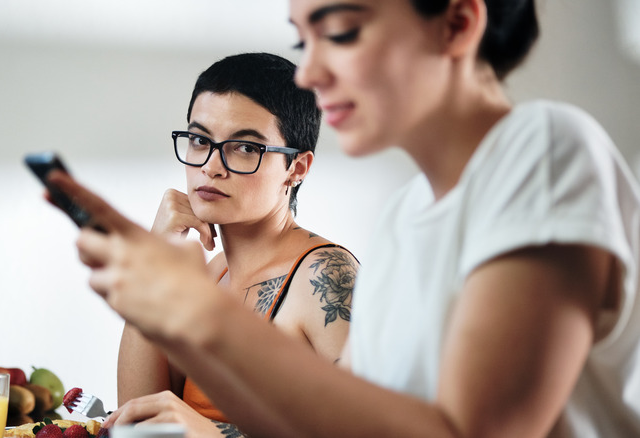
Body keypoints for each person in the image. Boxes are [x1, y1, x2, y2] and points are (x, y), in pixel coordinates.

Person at [47, 0, 640, 436]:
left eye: (341, 32)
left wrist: (198, 317)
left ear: (457, 23)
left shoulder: (544, 149)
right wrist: (162, 307)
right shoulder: (406, 217)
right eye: (305, 43)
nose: (308, 74)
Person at [107, 53, 358, 436]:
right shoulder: (211, 276)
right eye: (199, 140)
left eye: (245, 148)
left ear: (297, 167)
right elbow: (140, 420)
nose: (211, 166)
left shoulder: (323, 275)